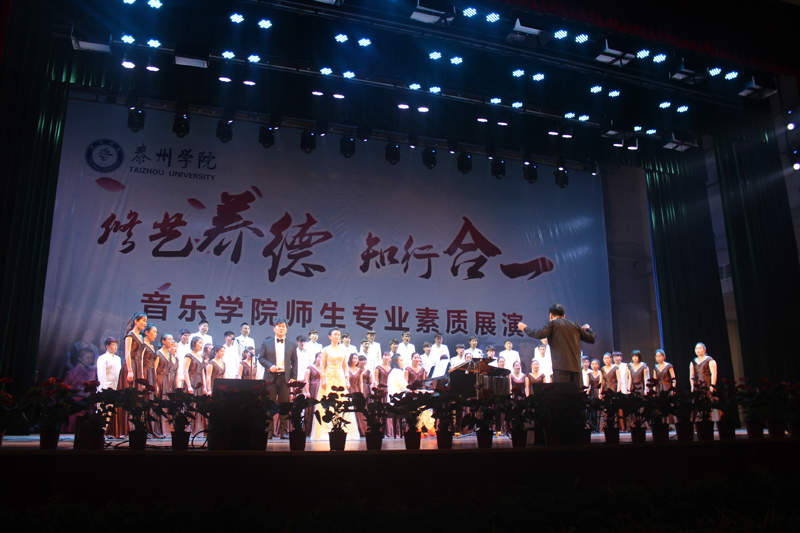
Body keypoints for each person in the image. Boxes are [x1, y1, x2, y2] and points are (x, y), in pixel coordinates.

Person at [519, 304, 595, 384]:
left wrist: (525, 328)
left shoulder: (552, 324)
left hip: (561, 368)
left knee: (562, 391)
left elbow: (539, 334)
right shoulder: (575, 325)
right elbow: (591, 339)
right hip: (576, 368)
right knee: (577, 391)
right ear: (564, 316)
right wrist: (588, 329)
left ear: (551, 316)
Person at [258, 318, 298, 439]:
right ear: (274, 328)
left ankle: (283, 431)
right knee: (269, 404)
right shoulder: (267, 342)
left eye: (283, 326)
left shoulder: (291, 344)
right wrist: (270, 366)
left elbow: (294, 361)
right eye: (279, 326)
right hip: (270, 377)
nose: (281, 328)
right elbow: (261, 358)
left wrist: (294, 377)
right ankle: (269, 430)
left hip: (285, 378)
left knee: (284, 405)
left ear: (286, 329)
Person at [154, 333, 178, 437]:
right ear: (163, 341)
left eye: (172, 339)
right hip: (159, 380)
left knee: (166, 404)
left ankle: (167, 429)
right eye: (169, 339)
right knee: (159, 403)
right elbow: (154, 370)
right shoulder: (158, 353)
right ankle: (159, 429)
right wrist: (155, 384)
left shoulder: (169, 355)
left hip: (167, 381)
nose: (171, 341)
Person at [96, 338, 121, 437]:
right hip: (105, 388)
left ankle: (109, 432)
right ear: (107, 346)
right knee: (103, 410)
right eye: (113, 345)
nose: (115, 347)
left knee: (111, 411)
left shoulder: (118, 359)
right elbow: (101, 375)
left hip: (115, 387)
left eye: (116, 345)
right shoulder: (102, 358)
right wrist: (104, 389)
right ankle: (100, 432)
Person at [121, 312, 147, 389]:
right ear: (136, 321)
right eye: (143, 321)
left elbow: (141, 357)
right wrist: (129, 371)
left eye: (146, 321)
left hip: (138, 366)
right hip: (131, 364)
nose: (145, 323)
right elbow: (127, 353)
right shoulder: (130, 335)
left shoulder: (141, 337)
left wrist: (142, 375)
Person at [374, 352, 394, 438]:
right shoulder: (378, 368)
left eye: (388, 355)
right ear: (382, 357)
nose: (386, 357)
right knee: (381, 410)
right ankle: (381, 430)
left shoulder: (392, 368)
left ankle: (389, 430)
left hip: (390, 390)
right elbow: (376, 380)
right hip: (381, 390)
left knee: (389, 410)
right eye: (385, 355)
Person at [303, 352, 323, 436]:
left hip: (322, 389)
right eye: (319, 357)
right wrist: (307, 392)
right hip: (313, 389)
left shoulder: (324, 368)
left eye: (322, 357)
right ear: (315, 358)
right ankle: (309, 430)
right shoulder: (310, 368)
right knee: (312, 409)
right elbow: (306, 381)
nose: (320, 359)